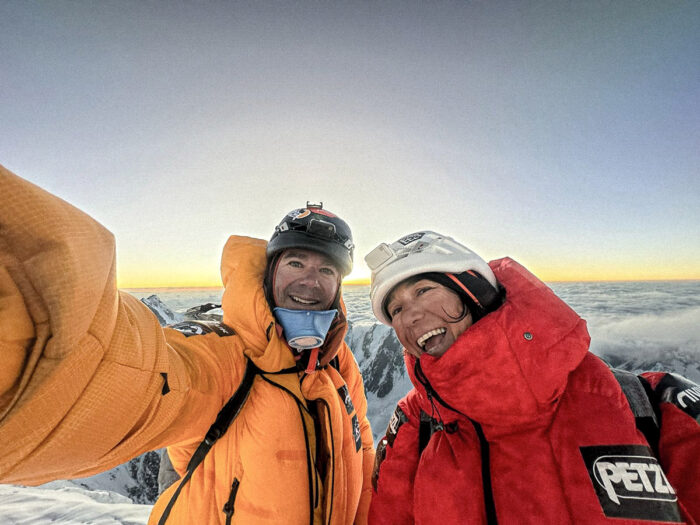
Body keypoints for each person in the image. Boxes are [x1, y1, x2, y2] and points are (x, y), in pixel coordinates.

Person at [0, 163, 374, 525]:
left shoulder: (338, 363)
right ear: (270, 271)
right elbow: (126, 376)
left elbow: (361, 454)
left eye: (326, 270)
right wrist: (31, 318)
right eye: (296, 263)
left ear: (338, 287)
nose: (311, 281)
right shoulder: (225, 358)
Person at [364, 231, 700, 524]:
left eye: (424, 290)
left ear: (474, 290)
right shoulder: (411, 429)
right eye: (396, 309)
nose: (411, 316)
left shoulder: (656, 407)